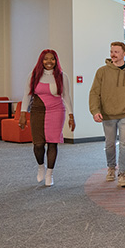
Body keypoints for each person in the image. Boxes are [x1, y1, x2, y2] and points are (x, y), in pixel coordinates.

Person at [89, 41, 125, 189]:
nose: (113, 54)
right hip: (108, 114)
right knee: (109, 144)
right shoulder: (102, 71)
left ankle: (122, 174)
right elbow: (94, 93)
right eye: (111, 51)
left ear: (124, 54)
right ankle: (111, 168)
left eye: (116, 51)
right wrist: (95, 110)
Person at [18, 49, 74, 186]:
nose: (49, 62)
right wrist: (23, 114)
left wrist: (71, 115)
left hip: (56, 111)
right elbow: (27, 95)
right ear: (41, 60)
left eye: (52, 59)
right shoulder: (33, 75)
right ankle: (41, 166)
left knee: (53, 142)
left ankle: (50, 173)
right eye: (46, 59)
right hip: (37, 111)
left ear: (56, 61)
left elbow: (66, 96)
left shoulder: (62, 76)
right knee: (38, 144)